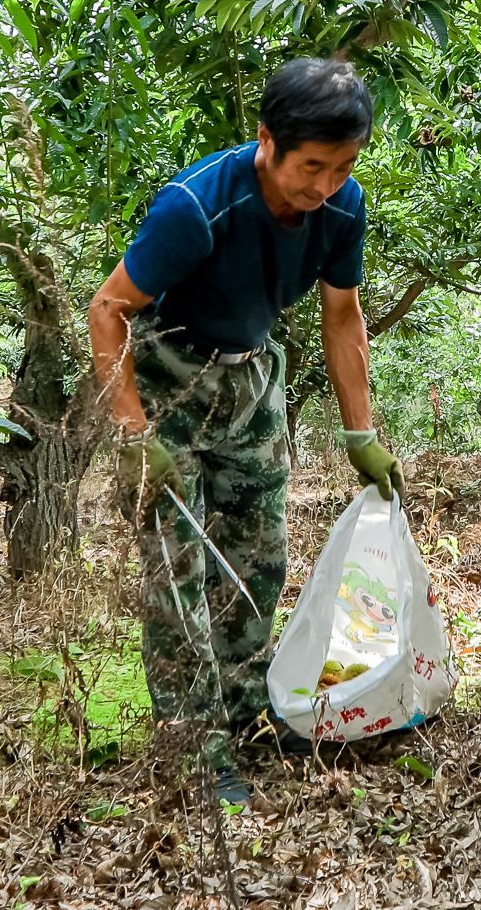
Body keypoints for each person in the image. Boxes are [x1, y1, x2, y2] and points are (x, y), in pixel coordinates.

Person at [85, 57, 400, 806]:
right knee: (179, 578)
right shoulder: (196, 208)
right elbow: (106, 310)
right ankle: (194, 747)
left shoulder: (343, 210)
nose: (324, 186)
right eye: (312, 166)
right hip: (167, 380)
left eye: (343, 166)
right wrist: (134, 434)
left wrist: (361, 432)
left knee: (258, 564)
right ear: (267, 140)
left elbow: (342, 314)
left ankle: (245, 715)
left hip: (252, 382)